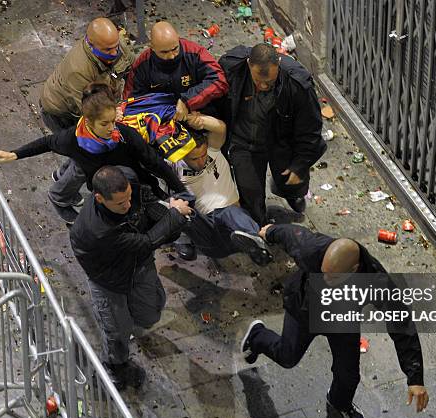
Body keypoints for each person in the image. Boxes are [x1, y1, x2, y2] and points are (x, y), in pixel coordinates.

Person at [240, 224, 428, 418]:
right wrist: (269, 232)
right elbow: (288, 234)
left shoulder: (376, 280)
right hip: (305, 308)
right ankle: (257, 336)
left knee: (348, 375)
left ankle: (340, 403)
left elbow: (401, 321)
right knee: (287, 357)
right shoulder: (310, 248)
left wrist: (415, 377)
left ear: (354, 270)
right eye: (323, 273)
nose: (325, 281)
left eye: (332, 278)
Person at [0, 83, 187, 225]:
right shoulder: (71, 140)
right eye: (104, 124)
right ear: (89, 122)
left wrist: (179, 190)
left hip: (136, 185)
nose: (111, 129)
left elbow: (154, 163)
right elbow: (46, 143)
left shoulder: (125, 135)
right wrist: (16, 154)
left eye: (113, 122)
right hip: (105, 193)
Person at [70, 166, 192, 389]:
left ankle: (129, 321)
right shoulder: (100, 231)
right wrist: (174, 215)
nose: (127, 206)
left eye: (128, 198)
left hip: (137, 265)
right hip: (108, 279)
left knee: (151, 311)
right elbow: (146, 242)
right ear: (99, 198)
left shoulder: (127, 181)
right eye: (120, 204)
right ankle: (115, 365)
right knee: (117, 330)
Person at [218, 43, 326, 225]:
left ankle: (292, 194)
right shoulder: (231, 69)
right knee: (250, 194)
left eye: (269, 82)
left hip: (281, 141)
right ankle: (259, 229)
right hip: (243, 142)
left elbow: (310, 129)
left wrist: (300, 164)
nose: (263, 86)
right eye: (258, 80)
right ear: (248, 65)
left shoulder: (297, 84)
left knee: (291, 182)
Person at [40, 18, 134, 220]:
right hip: (61, 112)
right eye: (107, 50)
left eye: (115, 46)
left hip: (87, 106)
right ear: (91, 44)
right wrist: (113, 112)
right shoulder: (79, 69)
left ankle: (61, 177)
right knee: (86, 160)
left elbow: (129, 67)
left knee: (78, 155)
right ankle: (60, 196)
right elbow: (90, 108)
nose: (114, 52)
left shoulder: (115, 44)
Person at [170, 112, 272, 265]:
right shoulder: (174, 163)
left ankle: (257, 245)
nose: (200, 162)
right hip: (207, 229)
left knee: (229, 212)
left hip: (233, 224)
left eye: (203, 155)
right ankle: (180, 238)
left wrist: (195, 119)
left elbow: (220, 128)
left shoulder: (214, 149)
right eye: (194, 159)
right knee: (177, 207)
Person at [122, 21, 228, 120]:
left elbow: (219, 81)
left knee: (220, 127)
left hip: (196, 111)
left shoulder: (195, 53)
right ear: (152, 48)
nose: (172, 56)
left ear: (178, 39)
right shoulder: (142, 65)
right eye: (164, 52)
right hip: (160, 118)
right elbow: (130, 103)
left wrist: (188, 101)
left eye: (175, 49)